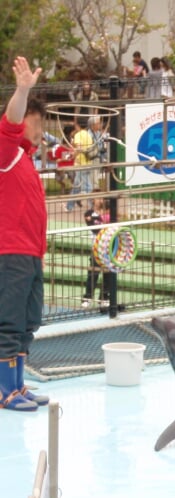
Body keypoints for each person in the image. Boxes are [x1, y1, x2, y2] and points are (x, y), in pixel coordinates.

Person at [0, 56, 48, 412]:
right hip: (10, 252)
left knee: (28, 322)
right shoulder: (7, 154)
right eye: (37, 120)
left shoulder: (27, 159)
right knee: (9, 322)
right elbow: (10, 122)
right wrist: (23, 91)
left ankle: (16, 385)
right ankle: (4, 390)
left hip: (31, 254)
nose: (41, 128)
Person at [66, 115, 104, 212]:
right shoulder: (88, 135)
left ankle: (94, 206)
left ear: (77, 125)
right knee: (77, 186)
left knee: (87, 187)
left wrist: (73, 155)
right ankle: (69, 206)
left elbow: (79, 148)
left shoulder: (78, 135)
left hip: (80, 164)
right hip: (88, 162)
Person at [82, 199, 111, 308]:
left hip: (109, 249)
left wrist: (100, 220)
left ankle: (104, 297)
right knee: (93, 274)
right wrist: (100, 220)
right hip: (96, 249)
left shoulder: (109, 215)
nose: (100, 200)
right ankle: (88, 297)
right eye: (98, 198)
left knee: (107, 274)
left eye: (102, 198)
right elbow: (96, 230)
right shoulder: (89, 213)